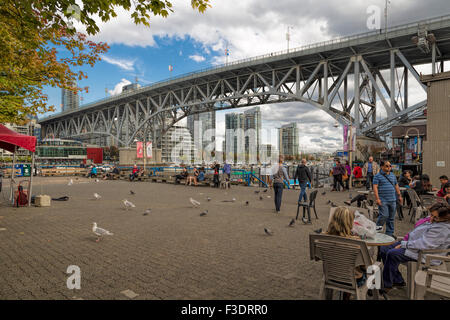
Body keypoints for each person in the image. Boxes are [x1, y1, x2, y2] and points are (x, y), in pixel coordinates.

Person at [379, 202, 450, 293]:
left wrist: (405, 244)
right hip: (413, 245)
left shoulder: (442, 229)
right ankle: (397, 280)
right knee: (384, 248)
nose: (431, 218)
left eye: (435, 217)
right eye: (431, 215)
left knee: (393, 254)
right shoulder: (435, 220)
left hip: (424, 253)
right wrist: (406, 242)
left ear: (444, 218)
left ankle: (387, 284)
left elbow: (425, 244)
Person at [326, 207, 367, 299]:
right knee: (374, 270)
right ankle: (374, 291)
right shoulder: (356, 243)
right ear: (350, 222)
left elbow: (317, 258)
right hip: (352, 280)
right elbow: (366, 265)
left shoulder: (323, 239)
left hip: (332, 276)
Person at [373, 160, 403, 236]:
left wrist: (399, 196)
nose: (389, 167)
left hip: (393, 199)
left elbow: (396, 185)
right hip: (383, 200)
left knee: (391, 218)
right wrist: (377, 199)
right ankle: (377, 231)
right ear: (382, 166)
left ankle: (389, 233)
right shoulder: (377, 176)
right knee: (384, 216)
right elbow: (375, 187)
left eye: (390, 166)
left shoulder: (392, 175)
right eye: (387, 166)